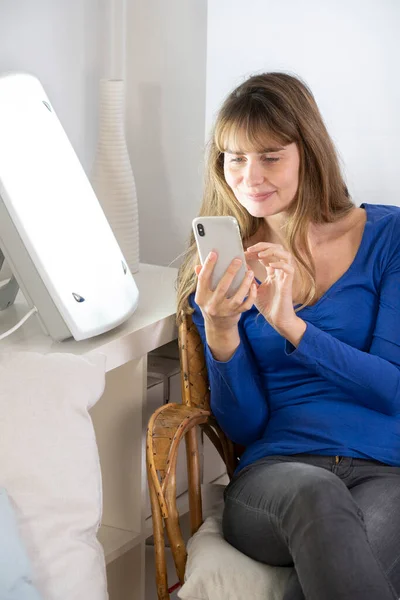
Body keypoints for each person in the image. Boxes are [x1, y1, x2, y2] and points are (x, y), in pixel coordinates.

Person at [176, 72, 400, 600]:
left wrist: (293, 328)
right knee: (317, 494)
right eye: (235, 158)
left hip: (385, 471)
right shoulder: (220, 272)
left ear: (309, 152)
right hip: (277, 478)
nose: (250, 176)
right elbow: (245, 425)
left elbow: (391, 389)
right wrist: (222, 329)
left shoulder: (388, 237)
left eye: (271, 156)